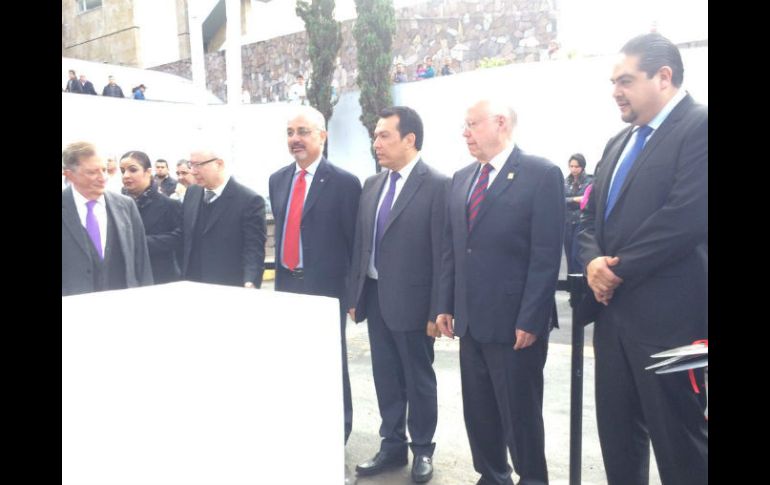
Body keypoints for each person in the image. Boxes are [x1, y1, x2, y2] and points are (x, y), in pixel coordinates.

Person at [576, 32, 708, 485]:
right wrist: (593, 262)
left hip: (670, 327)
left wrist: (615, 270)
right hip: (613, 325)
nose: (615, 91)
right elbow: (589, 217)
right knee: (619, 443)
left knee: (680, 449)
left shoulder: (699, 127)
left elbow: (685, 218)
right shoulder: (618, 142)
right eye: (613, 81)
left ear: (664, 77)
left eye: (626, 80)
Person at [436, 99, 564, 485]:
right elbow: (452, 247)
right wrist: (444, 303)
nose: (465, 133)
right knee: (480, 411)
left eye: (472, 124)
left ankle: (533, 479)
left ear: (501, 123)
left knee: (520, 415)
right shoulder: (461, 178)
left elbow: (546, 256)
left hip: (515, 326)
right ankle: (492, 475)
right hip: (470, 320)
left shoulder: (541, 174)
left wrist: (531, 317)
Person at [347, 106, 447, 483]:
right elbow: (362, 244)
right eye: (375, 136)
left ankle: (422, 449)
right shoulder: (373, 185)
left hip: (416, 304)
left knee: (418, 378)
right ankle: (392, 445)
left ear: (410, 139)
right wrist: (357, 293)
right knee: (385, 376)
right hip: (375, 298)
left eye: (384, 135)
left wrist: (438, 309)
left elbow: (442, 253)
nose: (376, 143)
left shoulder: (437, 184)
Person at [269, 105, 361, 444]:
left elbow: (354, 245)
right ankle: (302, 424)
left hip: (327, 288)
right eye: (291, 133)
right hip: (287, 284)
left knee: (331, 362)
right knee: (295, 360)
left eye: (303, 132)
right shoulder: (278, 180)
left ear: (322, 136)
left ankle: (340, 430)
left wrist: (353, 296)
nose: (296, 139)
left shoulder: (344, 183)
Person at [62, 141, 153, 296]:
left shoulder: (126, 206)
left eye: (104, 170)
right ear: (69, 175)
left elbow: (142, 262)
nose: (102, 177)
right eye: (92, 172)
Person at [180, 147, 266, 288]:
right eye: (191, 165)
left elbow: (253, 248)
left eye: (198, 165)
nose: (193, 171)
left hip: (228, 286)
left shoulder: (249, 200)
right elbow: (183, 235)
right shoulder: (192, 193)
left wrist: (250, 281)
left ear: (219, 164)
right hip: (192, 284)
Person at [119, 150, 183, 284]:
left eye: (132, 170)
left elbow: (180, 237)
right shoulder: (116, 205)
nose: (126, 175)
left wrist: (140, 243)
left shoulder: (169, 205)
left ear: (148, 172)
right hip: (125, 278)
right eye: (122, 170)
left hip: (160, 278)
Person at [563, 153, 592, 274]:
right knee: (569, 255)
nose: (574, 169)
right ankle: (572, 288)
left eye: (577, 166)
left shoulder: (590, 181)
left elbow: (587, 200)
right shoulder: (565, 181)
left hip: (581, 221)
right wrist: (575, 199)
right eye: (571, 166)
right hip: (567, 221)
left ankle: (580, 288)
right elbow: (559, 200)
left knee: (577, 255)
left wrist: (571, 200)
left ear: (582, 167)